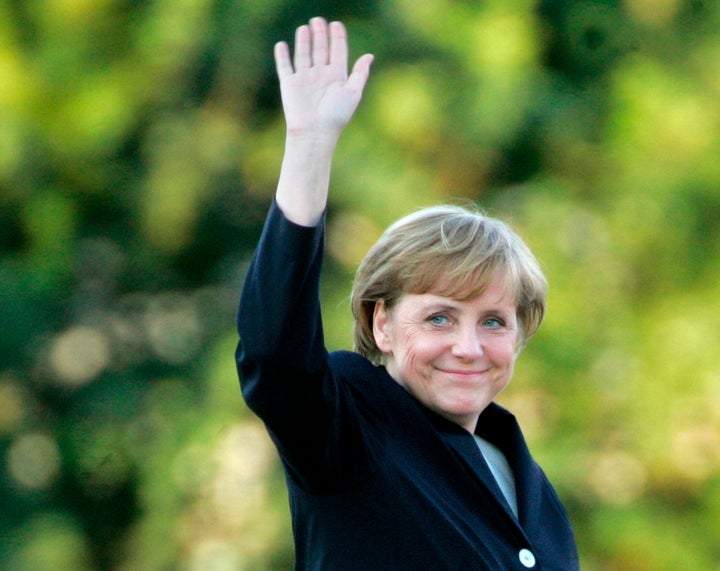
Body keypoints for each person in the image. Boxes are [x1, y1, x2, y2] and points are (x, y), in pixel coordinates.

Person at [236, 17, 579, 570]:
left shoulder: (524, 478)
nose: (468, 347)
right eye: (440, 318)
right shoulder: (353, 427)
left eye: (493, 321)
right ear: (382, 325)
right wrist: (309, 147)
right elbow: (275, 357)